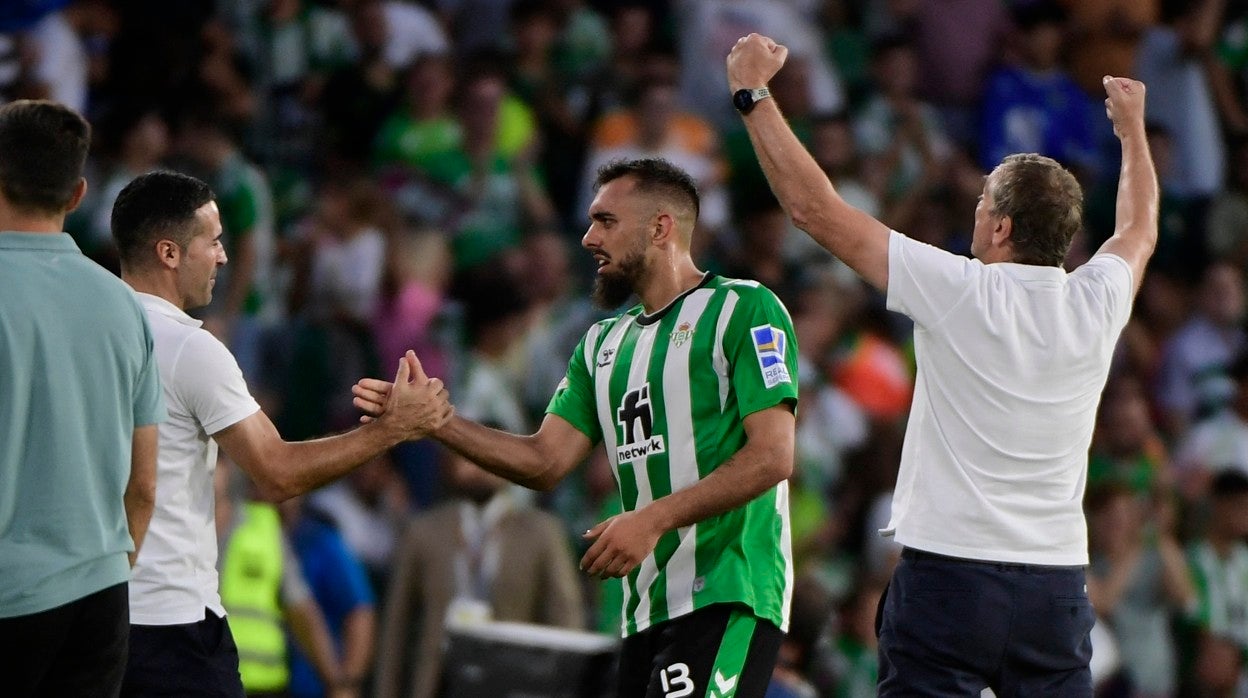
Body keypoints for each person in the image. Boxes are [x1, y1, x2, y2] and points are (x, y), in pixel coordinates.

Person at [727, 33, 1158, 696]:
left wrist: (754, 96)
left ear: (1003, 229)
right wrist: (1131, 132)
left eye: (985, 203)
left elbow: (815, 210)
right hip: (1057, 589)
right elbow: (1139, 229)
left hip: (951, 581)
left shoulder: (959, 289)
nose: (976, 214)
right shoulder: (1096, 301)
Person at [355, 157, 799, 698]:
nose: (588, 238)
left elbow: (773, 456)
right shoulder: (601, 344)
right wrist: (438, 422)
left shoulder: (743, 308)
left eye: (606, 221)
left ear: (660, 228)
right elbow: (545, 462)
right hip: (644, 609)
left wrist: (651, 519)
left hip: (729, 592)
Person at [110, 170, 453, 697]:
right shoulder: (187, 347)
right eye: (214, 241)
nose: (224, 257)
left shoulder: (82, 333)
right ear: (170, 253)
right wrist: (393, 429)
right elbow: (276, 474)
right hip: (169, 627)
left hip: (84, 618)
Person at [0, 99, 165, 697]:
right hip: (97, 602)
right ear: (77, 195)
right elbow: (144, 487)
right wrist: (103, 577)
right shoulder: (124, 306)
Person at [373, 447, 585, 698]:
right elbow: (396, 627)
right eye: (468, 457)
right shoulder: (423, 532)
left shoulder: (541, 532)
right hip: (439, 681)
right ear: (448, 464)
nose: (478, 466)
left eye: (489, 456)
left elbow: (565, 619)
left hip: (513, 680)